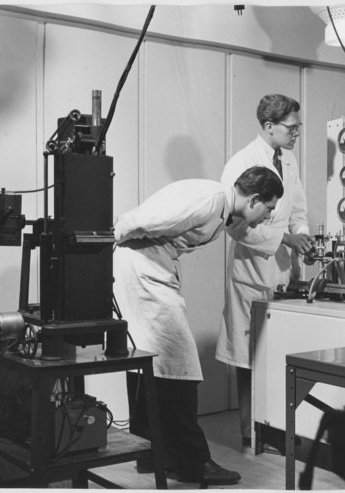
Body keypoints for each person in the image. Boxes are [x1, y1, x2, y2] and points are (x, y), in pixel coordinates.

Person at [113, 166, 283, 485]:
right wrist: (112, 240)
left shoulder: (219, 207)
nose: (267, 217)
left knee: (148, 361)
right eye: (269, 208)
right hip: (141, 270)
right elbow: (139, 221)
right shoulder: (210, 200)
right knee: (180, 366)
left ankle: (151, 453)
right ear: (255, 199)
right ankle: (193, 463)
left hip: (146, 270)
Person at [215, 94, 314, 447]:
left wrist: (302, 239)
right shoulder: (240, 163)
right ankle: (250, 430)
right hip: (251, 271)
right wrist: (283, 238)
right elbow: (235, 225)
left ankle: (279, 428)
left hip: (283, 269)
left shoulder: (289, 159)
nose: (296, 133)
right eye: (292, 127)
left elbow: (298, 211)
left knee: (281, 351)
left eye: (298, 127)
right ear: (269, 126)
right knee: (249, 354)